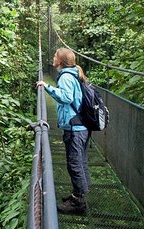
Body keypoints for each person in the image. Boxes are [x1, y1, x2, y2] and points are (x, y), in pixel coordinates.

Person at [37, 48, 91, 215]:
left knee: (75, 164)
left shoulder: (66, 76)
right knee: (79, 162)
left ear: (60, 60)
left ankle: (79, 203)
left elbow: (66, 97)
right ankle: (77, 195)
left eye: (55, 56)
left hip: (75, 129)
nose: (53, 58)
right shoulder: (73, 74)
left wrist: (47, 87)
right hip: (80, 126)